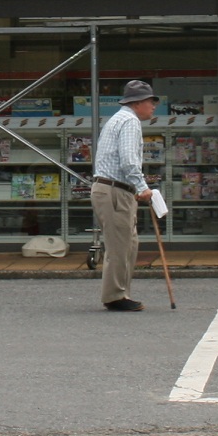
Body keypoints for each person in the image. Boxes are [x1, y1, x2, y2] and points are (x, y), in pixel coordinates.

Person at [91, 79, 158, 312]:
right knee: (120, 245)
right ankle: (115, 296)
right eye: (151, 101)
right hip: (115, 190)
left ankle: (120, 292)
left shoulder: (118, 119)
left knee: (128, 243)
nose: (153, 106)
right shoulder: (129, 121)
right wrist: (142, 187)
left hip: (112, 188)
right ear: (138, 103)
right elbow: (129, 159)